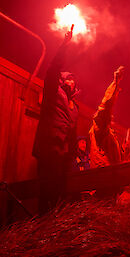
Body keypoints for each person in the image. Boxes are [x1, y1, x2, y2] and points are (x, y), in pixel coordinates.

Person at [32, 28, 79, 215]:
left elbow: (73, 132)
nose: (72, 81)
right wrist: (64, 46)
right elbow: (53, 68)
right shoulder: (53, 91)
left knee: (60, 197)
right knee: (46, 195)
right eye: (68, 78)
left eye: (74, 80)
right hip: (49, 150)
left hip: (64, 156)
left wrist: (73, 156)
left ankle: (55, 233)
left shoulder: (74, 106)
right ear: (60, 81)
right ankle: (42, 236)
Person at [89, 66, 125, 168]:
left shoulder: (108, 133)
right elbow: (106, 106)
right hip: (102, 178)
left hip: (110, 178)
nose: (112, 117)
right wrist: (115, 83)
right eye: (110, 116)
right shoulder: (99, 127)